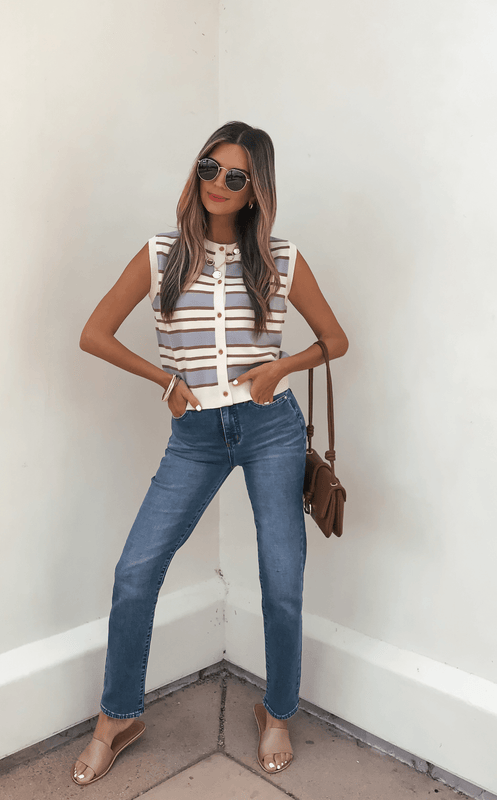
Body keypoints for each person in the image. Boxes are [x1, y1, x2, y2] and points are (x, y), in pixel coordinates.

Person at [72, 121, 348, 786]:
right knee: (135, 571)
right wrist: (165, 380)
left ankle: (276, 711)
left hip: (270, 428)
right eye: (208, 167)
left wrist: (278, 369)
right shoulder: (159, 253)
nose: (217, 184)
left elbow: (335, 340)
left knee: (281, 583)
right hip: (195, 435)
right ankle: (117, 718)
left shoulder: (282, 260)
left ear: (256, 191)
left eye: (235, 177)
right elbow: (93, 334)